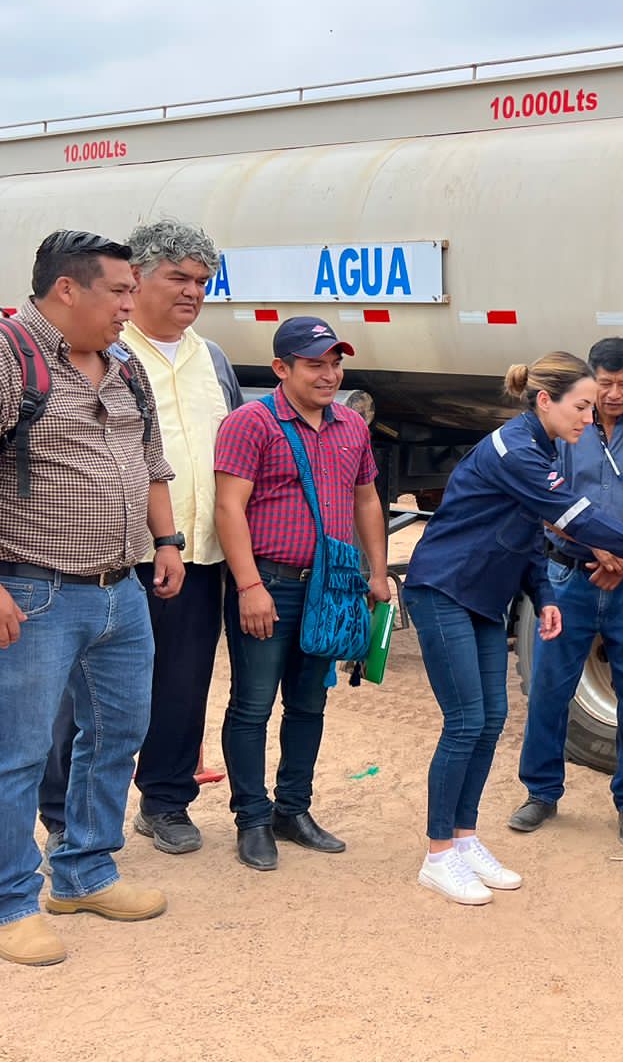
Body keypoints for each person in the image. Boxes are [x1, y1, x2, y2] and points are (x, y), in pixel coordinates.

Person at [0, 230, 182, 966]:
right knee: (17, 753)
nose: (134, 304)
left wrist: (166, 542)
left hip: (119, 591)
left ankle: (86, 872)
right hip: (28, 591)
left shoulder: (124, 364)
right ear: (68, 289)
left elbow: (149, 460)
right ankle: (6, 905)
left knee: (117, 736)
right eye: (121, 291)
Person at [403, 352, 623, 905]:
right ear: (545, 401)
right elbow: (575, 516)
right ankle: (438, 855)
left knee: (490, 719)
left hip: (484, 595)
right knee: (465, 723)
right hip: (445, 589)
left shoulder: (544, 443)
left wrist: (543, 594)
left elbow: (528, 530)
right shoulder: (517, 450)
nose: (589, 413)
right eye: (581, 404)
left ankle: (464, 839)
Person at [38, 218, 242, 864]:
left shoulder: (213, 360)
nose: (192, 292)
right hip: (120, 558)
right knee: (89, 692)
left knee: (183, 682)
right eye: (177, 277)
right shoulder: (110, 353)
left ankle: (166, 801)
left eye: (202, 281)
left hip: (198, 555)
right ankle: (62, 813)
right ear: (136, 281)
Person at [213, 316, 388, 872]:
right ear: (281, 368)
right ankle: (252, 819)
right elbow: (228, 508)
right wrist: (249, 587)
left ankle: (293, 810)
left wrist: (378, 574)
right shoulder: (250, 423)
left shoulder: (351, 426)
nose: (329, 374)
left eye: (336, 363)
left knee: (310, 703)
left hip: (330, 588)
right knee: (253, 705)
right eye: (315, 364)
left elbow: (367, 500)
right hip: (271, 584)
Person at [509, 338, 623, 847]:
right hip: (570, 578)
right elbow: (548, 504)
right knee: (550, 688)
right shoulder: (567, 429)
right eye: (604, 383)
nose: (613, 394)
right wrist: (598, 547)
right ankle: (541, 793)